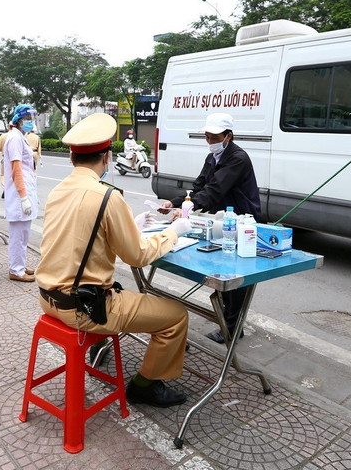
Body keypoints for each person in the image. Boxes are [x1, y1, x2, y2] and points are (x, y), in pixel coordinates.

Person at [36, 112, 194, 408]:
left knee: (121, 289)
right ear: (107, 158)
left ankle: (102, 350)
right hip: (85, 309)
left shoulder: (58, 191)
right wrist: (173, 232)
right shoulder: (107, 196)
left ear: (72, 158)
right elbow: (137, 255)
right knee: (176, 315)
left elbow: (81, 235)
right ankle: (145, 386)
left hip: (48, 299)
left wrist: (131, 225)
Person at [159, 112, 260, 344]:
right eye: (207, 137)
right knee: (224, 269)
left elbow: (214, 190)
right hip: (222, 220)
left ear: (228, 136)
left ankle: (232, 328)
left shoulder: (238, 158)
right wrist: (175, 203)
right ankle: (229, 322)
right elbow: (199, 187)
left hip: (242, 220)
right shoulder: (212, 158)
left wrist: (190, 205)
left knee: (237, 274)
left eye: (214, 138)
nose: (210, 142)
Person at [3, 104, 40, 282]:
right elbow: (16, 170)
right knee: (18, 236)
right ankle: (16, 270)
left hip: (24, 191)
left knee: (23, 234)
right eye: (27, 119)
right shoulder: (15, 139)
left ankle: (20, 264)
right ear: (18, 120)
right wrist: (24, 197)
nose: (30, 122)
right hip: (19, 195)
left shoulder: (20, 136)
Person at [0, 127, 11, 198]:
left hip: (6, 159)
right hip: (17, 159)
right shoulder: (20, 136)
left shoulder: (3, 136)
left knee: (3, 175)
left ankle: (5, 188)